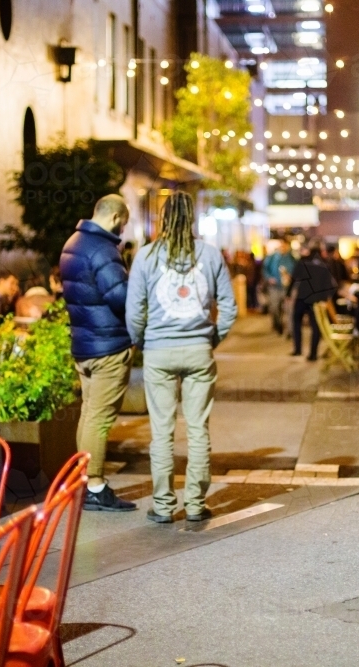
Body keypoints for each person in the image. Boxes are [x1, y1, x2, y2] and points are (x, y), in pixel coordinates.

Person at [126, 192, 237, 524]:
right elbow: (229, 307)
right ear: (193, 219)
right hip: (198, 351)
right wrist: (210, 338)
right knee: (198, 428)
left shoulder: (145, 256)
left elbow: (134, 312)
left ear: (162, 218)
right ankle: (194, 503)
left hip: (158, 351)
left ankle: (162, 505)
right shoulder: (211, 254)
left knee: (161, 430)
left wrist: (143, 341)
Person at [60, 193, 136, 512]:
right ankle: (95, 484)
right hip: (108, 345)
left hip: (84, 344)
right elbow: (121, 297)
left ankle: (83, 481)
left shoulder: (73, 243)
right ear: (117, 218)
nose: (122, 232)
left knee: (90, 413)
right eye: (123, 225)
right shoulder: (103, 249)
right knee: (100, 418)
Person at [288, 242, 338, 361]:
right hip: (316, 300)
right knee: (315, 326)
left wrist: (288, 293)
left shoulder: (302, 262)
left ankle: (298, 349)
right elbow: (330, 285)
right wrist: (325, 299)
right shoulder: (324, 265)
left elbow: (293, 279)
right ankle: (313, 353)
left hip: (302, 297)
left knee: (296, 322)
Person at [261, 240, 296, 335]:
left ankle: (290, 330)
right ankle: (278, 325)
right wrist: (269, 278)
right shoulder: (272, 257)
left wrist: (291, 277)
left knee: (289, 309)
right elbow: (265, 270)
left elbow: (296, 271)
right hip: (275, 287)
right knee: (275, 308)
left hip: (287, 288)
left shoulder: (291, 258)